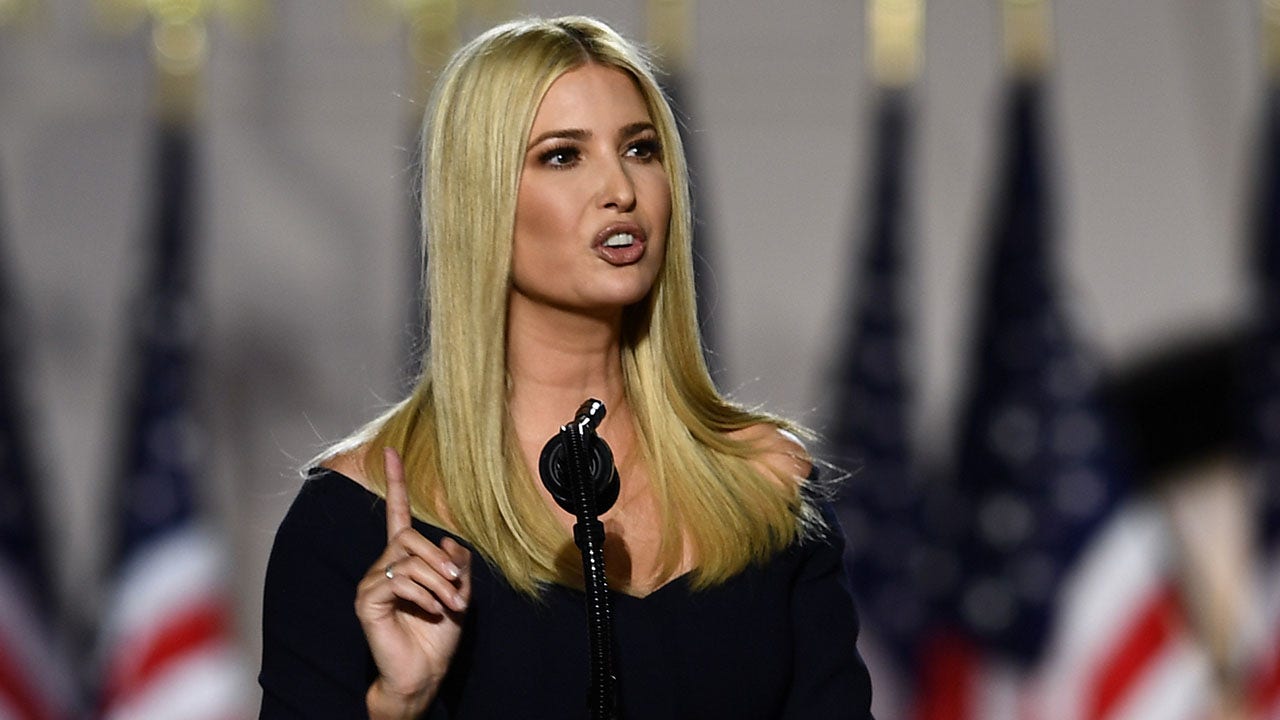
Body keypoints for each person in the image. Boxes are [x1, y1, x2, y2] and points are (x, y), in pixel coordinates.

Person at [258, 15, 874, 719]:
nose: (621, 188)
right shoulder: (353, 519)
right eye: (562, 156)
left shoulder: (767, 486)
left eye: (640, 148)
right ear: (480, 197)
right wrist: (400, 704)